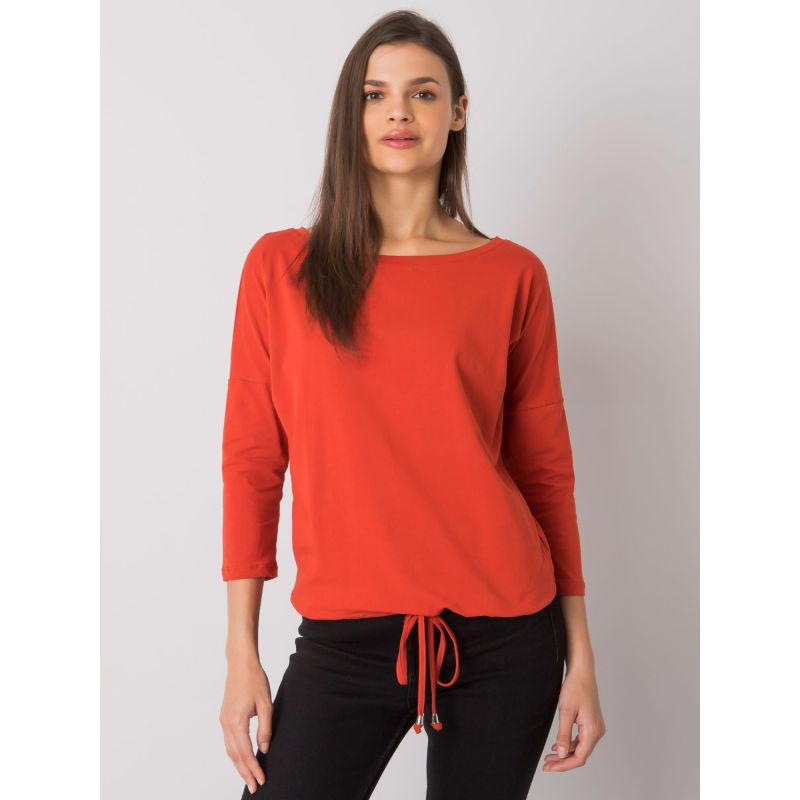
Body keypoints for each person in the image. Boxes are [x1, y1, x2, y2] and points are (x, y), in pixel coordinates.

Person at [218, 9, 606, 799]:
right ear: (351, 113)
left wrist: (581, 659)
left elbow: (545, 473)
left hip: (507, 640)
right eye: (376, 94)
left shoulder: (511, 276)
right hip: (343, 642)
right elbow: (253, 463)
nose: (399, 112)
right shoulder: (281, 268)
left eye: (423, 93)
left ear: (457, 113)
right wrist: (240, 654)